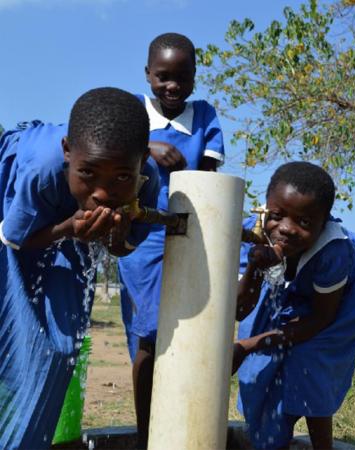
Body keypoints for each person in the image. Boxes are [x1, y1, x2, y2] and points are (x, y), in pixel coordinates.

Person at [0, 87, 160, 450]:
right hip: (16, 206)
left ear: (142, 163)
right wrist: (67, 229)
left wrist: (115, 238)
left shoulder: (147, 184)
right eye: (88, 172)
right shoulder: (41, 170)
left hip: (69, 223)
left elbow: (125, 247)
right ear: (67, 152)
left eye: (121, 177)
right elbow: (14, 239)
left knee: (58, 346)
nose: (103, 193)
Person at [118, 32, 224, 448]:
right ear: (147, 74)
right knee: (148, 335)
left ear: (195, 77)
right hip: (142, 242)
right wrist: (148, 146)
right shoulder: (134, 115)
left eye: (182, 77)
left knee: (187, 335)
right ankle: (149, 435)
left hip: (190, 238)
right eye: (163, 76)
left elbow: (211, 183)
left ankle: (179, 425)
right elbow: (113, 152)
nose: (172, 86)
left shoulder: (205, 117)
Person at [233, 162, 355, 450]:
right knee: (260, 360)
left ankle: (322, 446)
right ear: (265, 207)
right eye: (277, 215)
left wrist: (249, 345)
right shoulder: (253, 234)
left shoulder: (333, 251)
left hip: (352, 289)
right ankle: (273, 439)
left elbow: (320, 318)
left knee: (312, 358)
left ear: (324, 221)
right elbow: (241, 309)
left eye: (304, 223)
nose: (287, 229)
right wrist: (254, 266)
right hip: (299, 283)